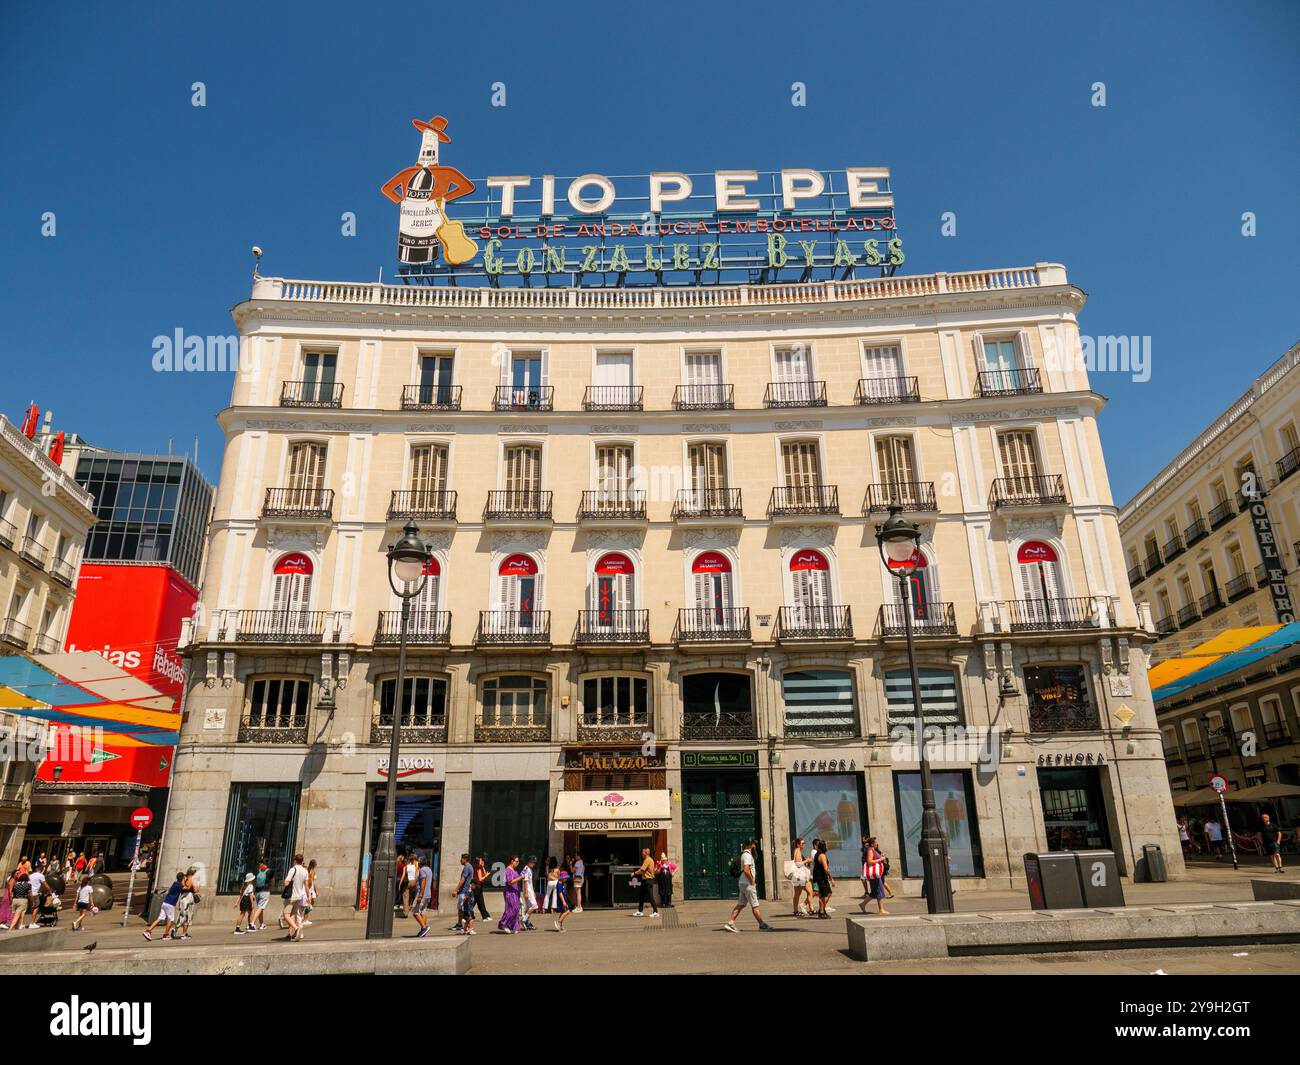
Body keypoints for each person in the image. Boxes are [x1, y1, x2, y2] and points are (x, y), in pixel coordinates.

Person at [724, 839, 770, 933]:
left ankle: (730, 923)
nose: (755, 846)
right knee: (755, 905)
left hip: (743, 883)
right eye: (754, 844)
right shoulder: (747, 855)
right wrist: (752, 880)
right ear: (751, 845)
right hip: (748, 884)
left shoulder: (744, 855)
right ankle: (762, 924)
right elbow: (746, 869)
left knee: (741, 904)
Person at [143, 872, 185, 941]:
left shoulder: (175, 883)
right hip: (170, 904)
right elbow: (186, 887)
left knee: (160, 918)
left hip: (165, 903)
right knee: (171, 920)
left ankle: (148, 931)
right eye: (184, 878)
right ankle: (165, 935)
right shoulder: (179, 885)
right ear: (182, 878)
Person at [859, 836, 890, 915]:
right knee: (879, 890)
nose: (877, 843)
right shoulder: (870, 850)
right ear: (872, 844)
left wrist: (882, 857)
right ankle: (881, 909)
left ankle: (863, 904)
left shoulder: (873, 850)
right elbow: (869, 861)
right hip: (874, 874)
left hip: (876, 874)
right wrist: (880, 859)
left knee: (874, 892)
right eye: (875, 842)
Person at [283, 854, 309, 941]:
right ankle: (292, 933)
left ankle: (297, 928)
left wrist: (285, 881)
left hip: (291, 896)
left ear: (295, 860)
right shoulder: (305, 871)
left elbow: (286, 882)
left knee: (286, 915)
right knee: (293, 914)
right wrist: (308, 896)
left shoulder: (293, 869)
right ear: (302, 861)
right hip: (299, 896)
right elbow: (306, 886)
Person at [452, 853, 476, 935]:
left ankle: (464, 926)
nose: (460, 860)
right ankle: (463, 925)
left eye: (461, 859)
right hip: (465, 891)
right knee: (463, 909)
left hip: (464, 891)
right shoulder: (469, 867)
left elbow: (463, 879)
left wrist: (456, 890)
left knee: (462, 909)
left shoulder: (467, 867)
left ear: (465, 859)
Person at [497, 855, 523, 934]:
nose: (517, 863)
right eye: (516, 861)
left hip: (515, 892)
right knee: (511, 909)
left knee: (516, 909)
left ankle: (514, 926)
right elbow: (510, 882)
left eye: (518, 861)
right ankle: (503, 923)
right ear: (512, 861)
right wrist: (520, 877)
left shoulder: (514, 871)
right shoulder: (508, 870)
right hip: (510, 892)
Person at [789, 837, 814, 917]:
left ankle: (808, 909)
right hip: (799, 876)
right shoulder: (797, 851)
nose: (804, 845)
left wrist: (805, 860)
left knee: (805, 892)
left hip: (800, 876)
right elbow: (797, 864)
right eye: (802, 843)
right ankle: (800, 910)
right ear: (798, 844)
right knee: (803, 893)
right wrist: (807, 860)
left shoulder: (797, 851)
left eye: (804, 843)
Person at [632, 847, 660, 917]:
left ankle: (655, 912)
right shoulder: (649, 859)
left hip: (648, 880)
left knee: (650, 896)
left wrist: (634, 873)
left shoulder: (648, 860)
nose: (641, 853)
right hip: (645, 880)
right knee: (641, 896)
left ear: (646, 853)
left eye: (643, 852)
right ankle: (640, 911)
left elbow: (642, 870)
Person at [412, 855, 435, 937]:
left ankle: (424, 928)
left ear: (420, 862)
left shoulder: (422, 870)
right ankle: (424, 931)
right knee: (423, 912)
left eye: (418, 861)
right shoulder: (429, 869)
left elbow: (423, 882)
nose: (417, 863)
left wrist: (420, 895)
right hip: (428, 894)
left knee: (415, 911)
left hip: (422, 894)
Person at [811, 839, 834, 918]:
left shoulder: (818, 854)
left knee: (823, 895)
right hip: (821, 878)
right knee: (827, 894)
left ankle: (822, 911)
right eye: (826, 845)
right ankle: (821, 911)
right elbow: (825, 869)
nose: (828, 846)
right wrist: (831, 878)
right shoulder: (822, 855)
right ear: (823, 846)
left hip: (819, 877)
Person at [250, 861, 271, 931]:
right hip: (265, 891)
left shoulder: (257, 871)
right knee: (260, 908)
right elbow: (273, 881)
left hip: (257, 892)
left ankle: (262, 924)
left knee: (260, 908)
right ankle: (252, 923)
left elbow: (253, 881)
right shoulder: (269, 871)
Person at [520, 856, 540, 930]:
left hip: (530, 890)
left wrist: (533, 891)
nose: (533, 864)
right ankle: (524, 920)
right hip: (527, 890)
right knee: (534, 906)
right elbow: (525, 881)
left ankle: (528, 923)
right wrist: (526, 892)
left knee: (529, 908)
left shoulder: (528, 869)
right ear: (528, 861)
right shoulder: (527, 869)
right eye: (532, 862)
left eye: (534, 862)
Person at [552, 862, 572, 932]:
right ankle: (559, 922)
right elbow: (560, 893)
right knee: (567, 911)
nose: (566, 879)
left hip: (563, 900)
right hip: (562, 900)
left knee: (563, 912)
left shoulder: (561, 884)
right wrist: (563, 901)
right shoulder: (559, 884)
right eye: (565, 878)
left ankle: (560, 925)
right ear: (562, 878)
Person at [402, 853, 419, 918]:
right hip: (414, 882)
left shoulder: (407, 865)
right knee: (411, 895)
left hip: (408, 882)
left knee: (405, 896)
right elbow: (417, 873)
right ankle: (412, 908)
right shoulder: (417, 864)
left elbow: (404, 875)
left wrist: (400, 883)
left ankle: (406, 912)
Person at [302, 859, 317, 926]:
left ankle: (305, 919)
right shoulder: (311, 871)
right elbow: (312, 882)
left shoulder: (308, 869)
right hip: (309, 889)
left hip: (310, 888)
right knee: (308, 904)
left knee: (310, 904)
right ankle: (305, 919)